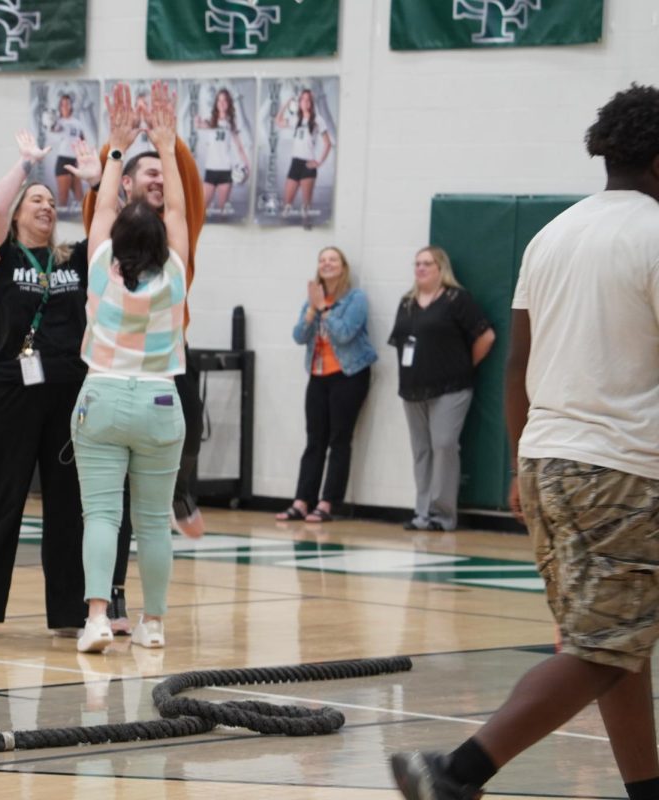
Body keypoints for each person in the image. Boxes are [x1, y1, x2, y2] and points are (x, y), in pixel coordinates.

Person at [390, 84, 659, 800]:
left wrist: (518, 464)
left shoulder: (552, 235)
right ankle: (456, 772)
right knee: (609, 647)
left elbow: (517, 364)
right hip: (626, 470)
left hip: (548, 463)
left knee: (617, 644)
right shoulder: (655, 235)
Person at [0, 130, 96, 640]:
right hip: (6, 391)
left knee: (65, 503)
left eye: (51, 201)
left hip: (65, 392)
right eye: (35, 200)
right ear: (18, 214)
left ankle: (68, 612)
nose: (46, 206)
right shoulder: (2, 261)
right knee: (1, 498)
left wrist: (97, 183)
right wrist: (26, 164)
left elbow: (107, 227)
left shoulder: (72, 260)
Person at [81, 86, 208, 635]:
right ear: (163, 242)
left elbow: (106, 205)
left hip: (103, 395)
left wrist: (116, 149)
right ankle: (153, 624)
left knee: (103, 517)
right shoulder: (176, 272)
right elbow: (177, 209)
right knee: (154, 523)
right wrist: (167, 143)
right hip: (160, 399)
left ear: (115, 238)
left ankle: (95, 621)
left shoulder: (101, 265)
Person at [388, 246, 495, 532]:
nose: (420, 268)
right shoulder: (407, 302)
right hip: (413, 388)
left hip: (451, 387)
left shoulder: (456, 299)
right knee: (421, 450)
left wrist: (463, 365)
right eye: (417, 264)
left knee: (444, 445)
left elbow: (486, 336)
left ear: (441, 269)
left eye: (427, 264)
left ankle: (442, 515)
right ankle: (422, 512)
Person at [276, 247, 376, 523]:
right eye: (322, 260)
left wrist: (323, 308)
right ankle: (301, 500)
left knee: (339, 440)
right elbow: (298, 336)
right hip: (318, 375)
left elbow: (344, 335)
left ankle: (328, 502)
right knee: (314, 440)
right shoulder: (313, 298)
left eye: (333, 259)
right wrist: (311, 310)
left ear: (343, 267)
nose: (327, 263)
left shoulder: (355, 298)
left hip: (349, 374)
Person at [277, 89, 332, 220]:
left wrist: (319, 162)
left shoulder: (318, 120)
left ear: (311, 103)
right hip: (295, 163)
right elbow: (278, 121)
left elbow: (328, 143)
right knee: (286, 207)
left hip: (308, 165)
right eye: (303, 99)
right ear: (300, 102)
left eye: (308, 100)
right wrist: (286, 103)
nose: (305, 102)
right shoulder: (295, 119)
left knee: (305, 209)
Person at [195, 88, 250, 216]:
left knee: (221, 212)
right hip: (211, 170)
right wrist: (197, 117)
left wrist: (248, 167)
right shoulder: (211, 122)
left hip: (226, 171)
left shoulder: (232, 124)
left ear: (228, 103)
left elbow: (240, 148)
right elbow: (198, 124)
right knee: (200, 210)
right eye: (219, 100)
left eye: (224, 100)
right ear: (216, 103)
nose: (221, 102)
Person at [50, 93, 90, 211]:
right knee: (63, 198)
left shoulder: (78, 123)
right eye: (62, 104)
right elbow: (53, 130)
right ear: (60, 107)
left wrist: (82, 158)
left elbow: (83, 141)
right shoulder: (59, 122)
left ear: (71, 105)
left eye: (67, 103)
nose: (65, 106)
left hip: (75, 160)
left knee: (80, 197)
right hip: (63, 160)